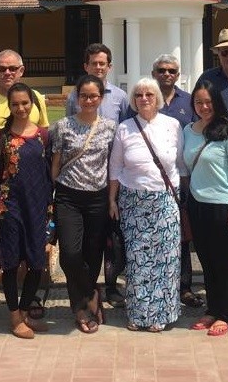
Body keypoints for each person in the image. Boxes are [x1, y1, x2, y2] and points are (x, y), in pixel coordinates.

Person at [0, 49, 49, 322]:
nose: (7, 73)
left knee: (33, 253)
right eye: (2, 68)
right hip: (1, 190)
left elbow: (45, 150)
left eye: (12, 68)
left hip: (35, 196)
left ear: (21, 70)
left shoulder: (37, 99)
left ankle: (28, 299)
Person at [109, 78, 183, 332]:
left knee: (166, 258)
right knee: (138, 258)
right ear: (133, 100)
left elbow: (179, 164)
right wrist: (112, 199)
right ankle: (139, 313)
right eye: (139, 95)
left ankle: (162, 313)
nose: (144, 99)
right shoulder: (124, 128)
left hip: (164, 199)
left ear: (158, 99)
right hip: (133, 200)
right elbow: (115, 167)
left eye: (149, 94)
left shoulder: (172, 125)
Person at [65, 43, 131, 308]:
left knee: (111, 238)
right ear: (86, 66)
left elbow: (126, 132)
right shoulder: (75, 97)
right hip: (82, 178)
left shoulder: (120, 97)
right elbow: (71, 133)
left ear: (109, 67)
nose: (98, 67)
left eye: (103, 64)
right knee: (88, 240)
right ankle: (89, 289)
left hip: (112, 177)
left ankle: (111, 286)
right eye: (94, 63)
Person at [50, 75, 117, 333]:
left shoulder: (111, 128)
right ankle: (89, 295)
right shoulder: (63, 126)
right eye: (84, 96)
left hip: (98, 198)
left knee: (92, 254)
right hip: (69, 196)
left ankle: (81, 305)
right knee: (70, 253)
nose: (88, 100)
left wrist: (112, 198)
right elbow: (55, 164)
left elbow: (113, 165)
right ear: (77, 98)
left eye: (94, 96)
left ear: (101, 98)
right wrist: (56, 190)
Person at [0, 82, 52, 339]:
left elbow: (49, 172)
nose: (20, 108)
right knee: (12, 264)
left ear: (33, 104)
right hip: (9, 207)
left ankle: (25, 312)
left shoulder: (44, 136)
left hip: (37, 206)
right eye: (15, 104)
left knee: (37, 264)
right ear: (10, 106)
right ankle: (14, 316)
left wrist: (51, 207)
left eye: (25, 103)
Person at [183, 80, 228, 337]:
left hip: (224, 205)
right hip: (198, 205)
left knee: (225, 262)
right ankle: (212, 308)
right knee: (207, 260)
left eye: (208, 102)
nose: (204, 106)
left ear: (216, 103)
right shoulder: (188, 130)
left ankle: (225, 313)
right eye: (199, 102)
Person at [151, 54, 202, 309]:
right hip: (151, 180)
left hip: (182, 177)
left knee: (182, 233)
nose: (167, 74)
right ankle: (158, 283)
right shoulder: (146, 98)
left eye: (171, 70)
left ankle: (184, 286)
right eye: (161, 70)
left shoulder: (188, 101)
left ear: (178, 74)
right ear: (154, 74)